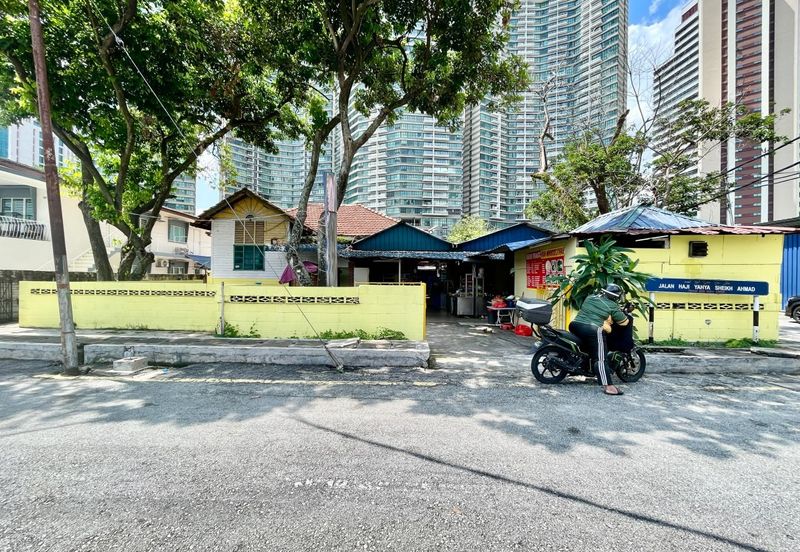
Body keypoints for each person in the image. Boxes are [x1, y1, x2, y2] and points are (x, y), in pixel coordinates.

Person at [569, 284, 629, 396]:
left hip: (575, 325)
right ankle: (608, 386)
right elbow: (624, 322)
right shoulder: (612, 305)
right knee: (601, 358)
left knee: (590, 349)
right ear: (615, 297)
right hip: (592, 329)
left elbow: (592, 311)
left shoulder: (590, 297)